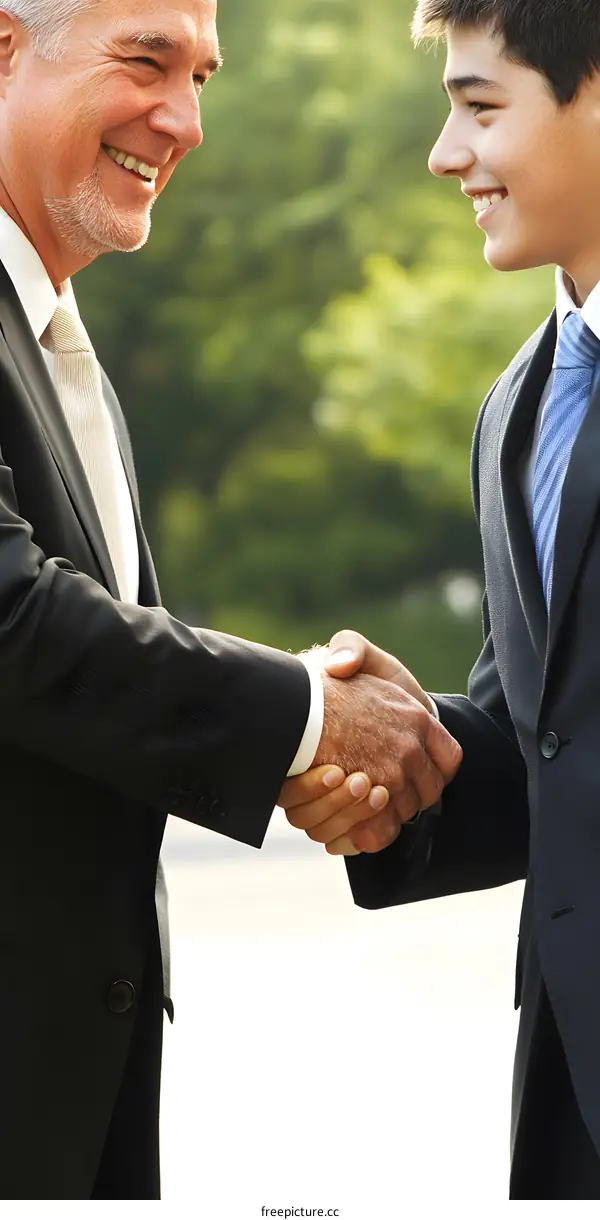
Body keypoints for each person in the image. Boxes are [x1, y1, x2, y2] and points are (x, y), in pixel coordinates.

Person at [0, 0, 466, 1200]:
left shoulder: (50, 327)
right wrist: (311, 716)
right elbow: (16, 621)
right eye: (146, 61)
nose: (187, 119)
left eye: (202, 74)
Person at [281, 0, 600, 1200]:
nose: (444, 153)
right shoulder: (518, 407)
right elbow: (546, 745)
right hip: (569, 1090)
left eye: (480, 107)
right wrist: (381, 770)